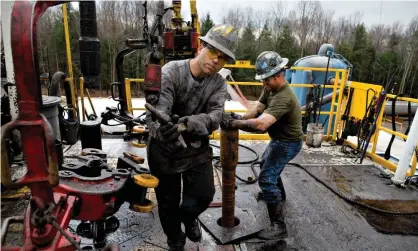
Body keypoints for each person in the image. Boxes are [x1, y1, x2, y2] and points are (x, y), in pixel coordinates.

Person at [146, 24, 238, 251]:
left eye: (223, 58)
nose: (217, 60)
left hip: (195, 145)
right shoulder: (171, 72)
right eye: (213, 52)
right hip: (165, 147)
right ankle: (175, 239)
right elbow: (158, 111)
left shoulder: (218, 83)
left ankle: (189, 217)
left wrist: (189, 123)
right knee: (167, 201)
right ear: (201, 46)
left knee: (204, 194)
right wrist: (163, 128)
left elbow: (216, 116)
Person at [222, 51, 303, 240]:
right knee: (265, 164)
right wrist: (241, 118)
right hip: (279, 140)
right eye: (263, 80)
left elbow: (261, 125)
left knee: (266, 178)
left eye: (266, 80)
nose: (263, 84)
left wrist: (235, 124)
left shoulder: (284, 97)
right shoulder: (270, 88)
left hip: (289, 143)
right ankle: (278, 196)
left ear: (279, 75)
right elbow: (258, 108)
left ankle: (279, 226)